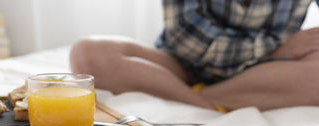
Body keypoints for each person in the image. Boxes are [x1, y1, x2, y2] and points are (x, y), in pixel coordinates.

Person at [69, 0, 319, 112]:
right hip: (181, 63)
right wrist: (275, 48)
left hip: (262, 72)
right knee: (89, 54)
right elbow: (185, 39)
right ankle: (207, 104)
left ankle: (195, 98)